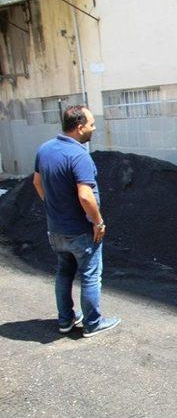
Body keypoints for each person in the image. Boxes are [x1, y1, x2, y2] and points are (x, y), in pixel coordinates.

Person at [33, 105, 121, 338]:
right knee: (91, 276)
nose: (94, 128)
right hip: (80, 231)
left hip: (56, 229)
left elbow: (36, 182)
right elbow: (85, 195)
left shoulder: (45, 149)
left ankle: (65, 320)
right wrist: (98, 222)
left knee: (64, 273)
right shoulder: (79, 156)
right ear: (80, 127)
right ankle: (93, 323)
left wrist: (53, 207)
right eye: (91, 124)